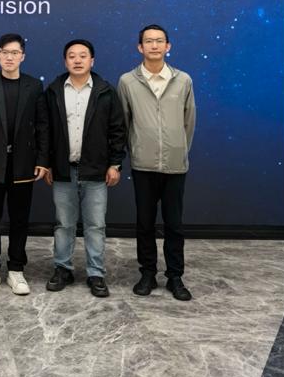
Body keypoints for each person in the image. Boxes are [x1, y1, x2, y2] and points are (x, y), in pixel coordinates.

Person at [118, 25, 196, 301]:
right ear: (140, 47)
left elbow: (189, 121)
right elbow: (123, 122)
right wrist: (136, 150)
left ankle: (175, 276)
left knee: (174, 224)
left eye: (159, 41)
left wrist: (178, 148)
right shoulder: (128, 81)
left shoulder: (183, 80)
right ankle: (147, 273)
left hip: (175, 165)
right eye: (148, 41)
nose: (154, 45)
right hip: (143, 165)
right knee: (145, 223)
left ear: (168, 46)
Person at [44, 39, 125, 298]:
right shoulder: (53, 91)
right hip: (63, 170)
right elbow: (45, 131)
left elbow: (117, 130)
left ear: (92, 61)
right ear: (65, 61)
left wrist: (115, 164)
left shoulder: (106, 91)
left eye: (83, 55)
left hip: (97, 170)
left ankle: (96, 273)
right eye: (72, 56)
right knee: (64, 224)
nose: (77, 60)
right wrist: (46, 164)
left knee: (95, 225)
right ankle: (62, 269)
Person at [0, 33, 49, 295]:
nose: (10, 57)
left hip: (23, 164)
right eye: (5, 52)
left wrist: (42, 160)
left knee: (19, 219)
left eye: (15, 53)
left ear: (22, 56)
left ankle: (16, 269)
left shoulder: (33, 86)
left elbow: (43, 125)